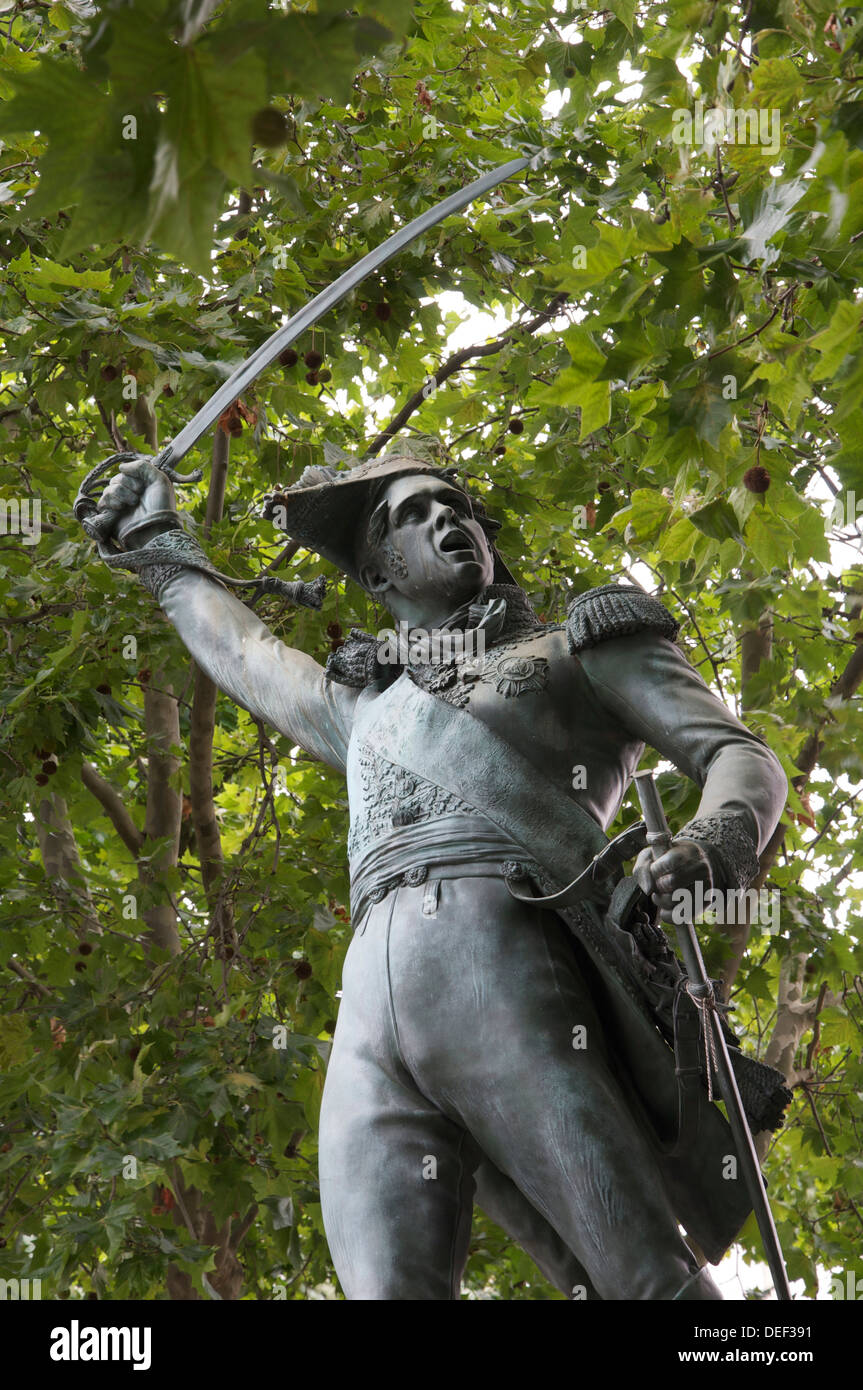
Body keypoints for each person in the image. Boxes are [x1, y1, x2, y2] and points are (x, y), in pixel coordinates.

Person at [85, 449, 789, 1300]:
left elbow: (737, 755)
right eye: (413, 514)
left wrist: (709, 843)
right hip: (367, 1018)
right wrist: (156, 535)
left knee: (641, 1277)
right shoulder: (358, 710)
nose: (446, 518)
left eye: (454, 506)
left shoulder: (580, 647)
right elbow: (241, 649)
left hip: (511, 965)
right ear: (377, 566)